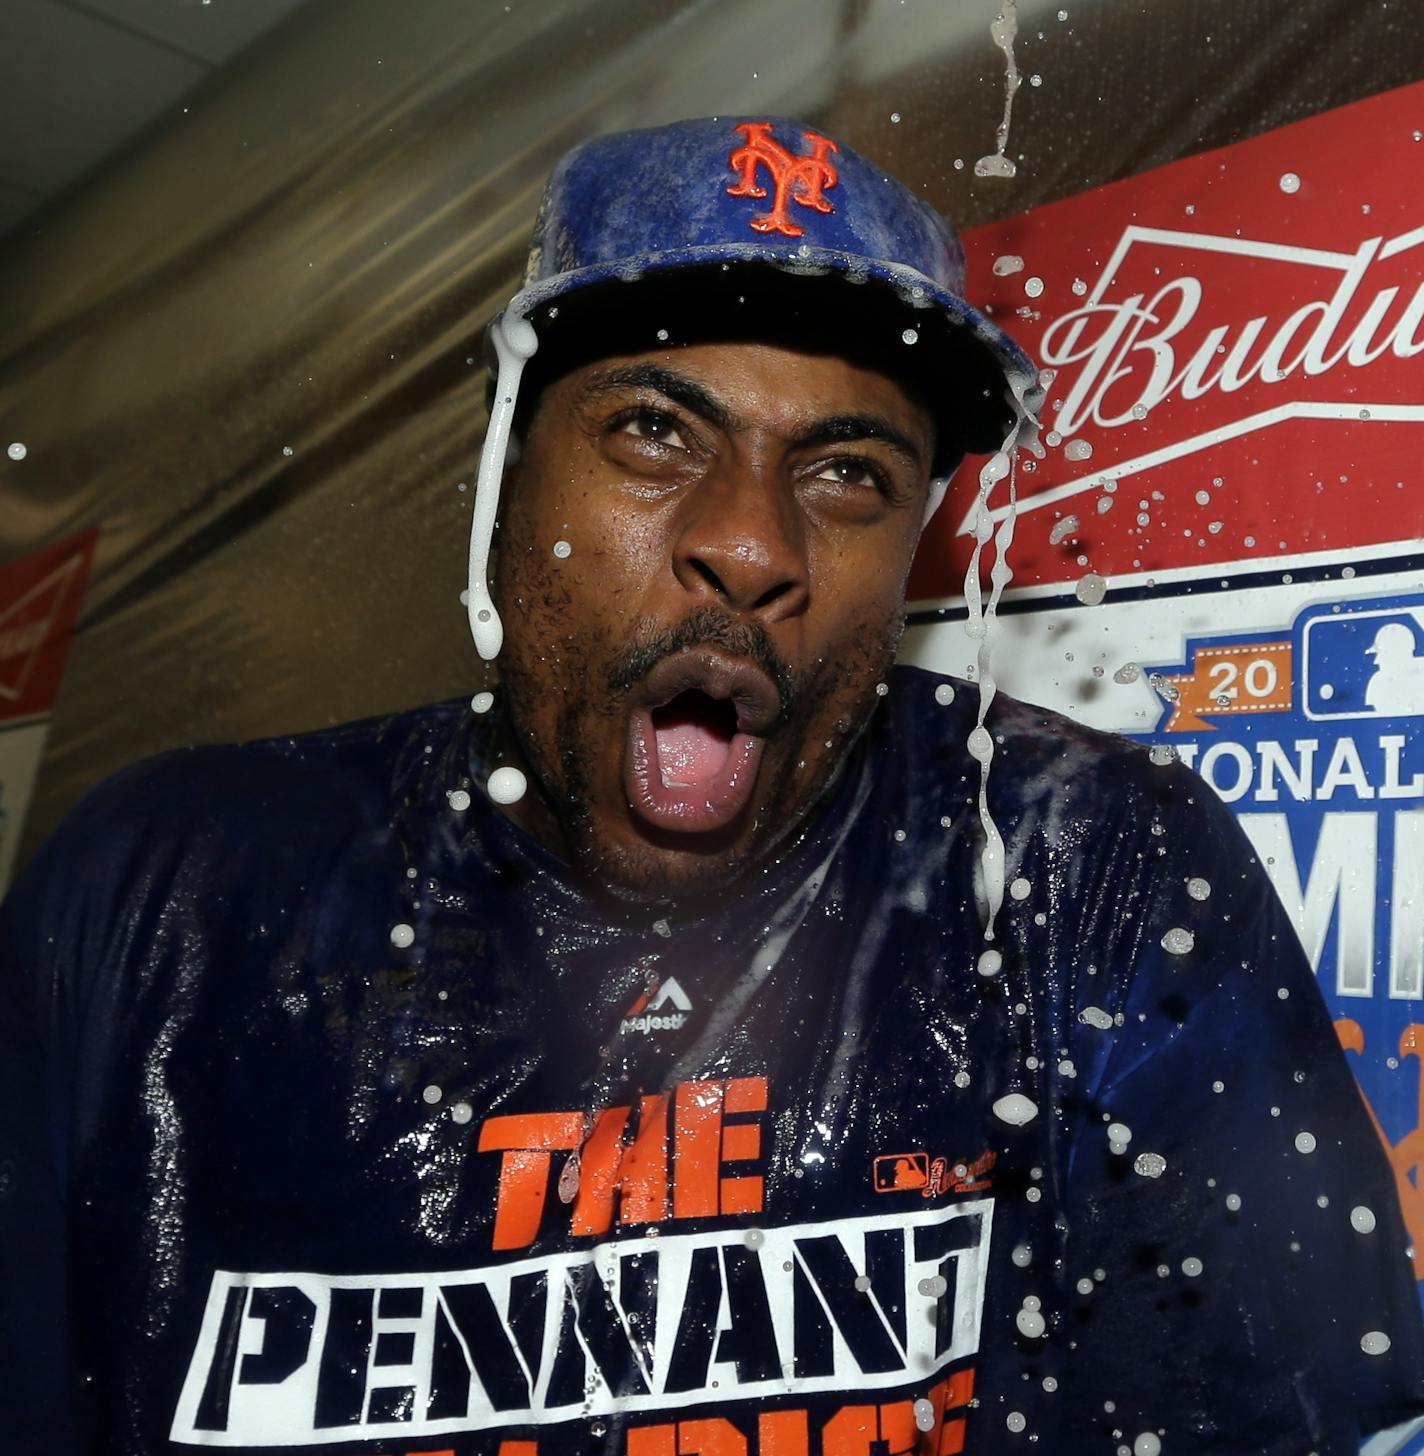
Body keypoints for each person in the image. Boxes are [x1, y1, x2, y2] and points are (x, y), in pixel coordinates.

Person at [2, 115, 1422, 1456]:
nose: (750, 544)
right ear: (501, 483)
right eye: (654, 432)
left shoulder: (1081, 866)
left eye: (850, 470)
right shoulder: (164, 899)